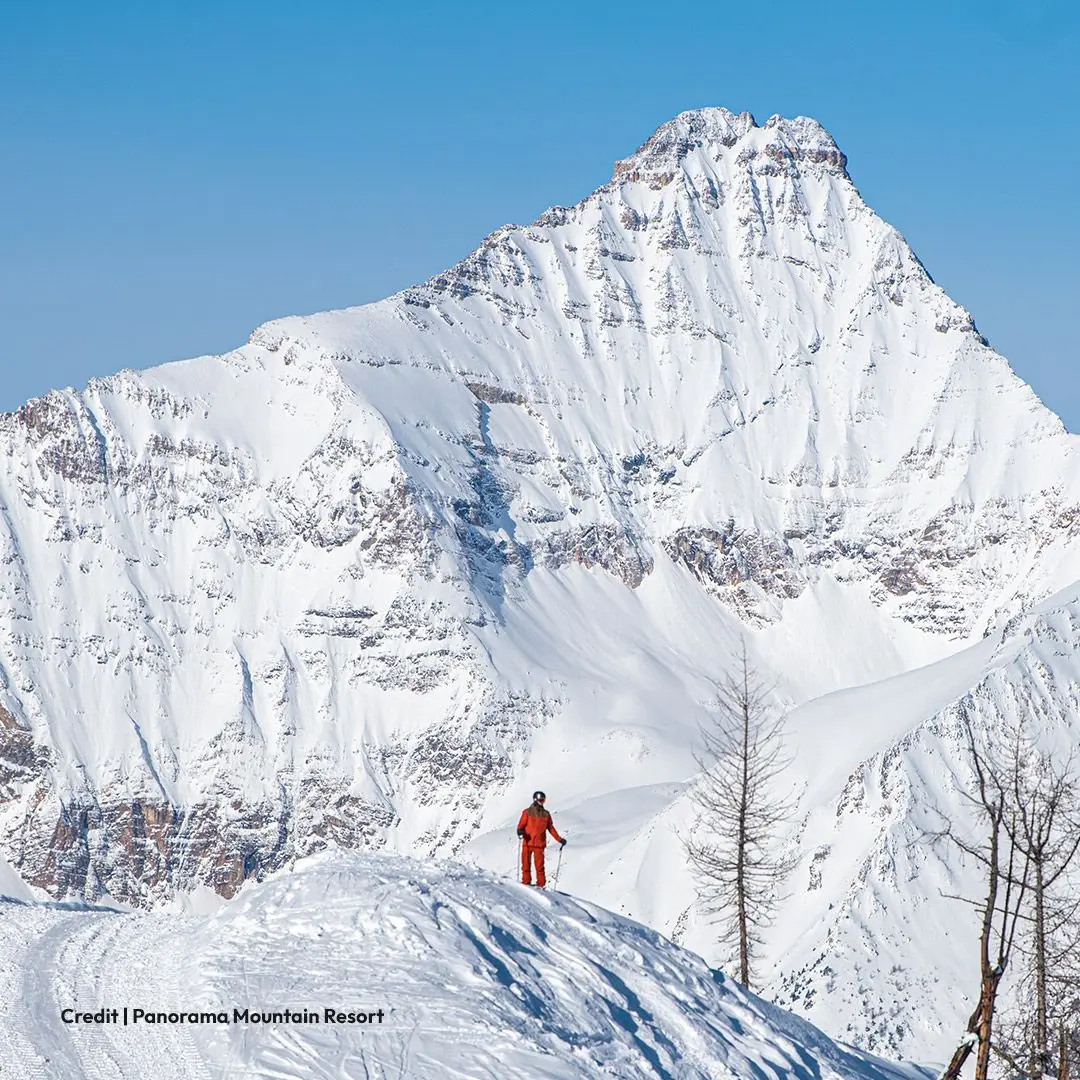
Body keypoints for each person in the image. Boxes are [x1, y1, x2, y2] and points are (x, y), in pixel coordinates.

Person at [516, 790, 565, 888]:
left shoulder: (546, 814)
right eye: (541, 800)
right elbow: (521, 825)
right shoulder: (527, 812)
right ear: (536, 800)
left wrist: (559, 839)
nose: (542, 802)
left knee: (540, 867)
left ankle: (541, 885)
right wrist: (520, 831)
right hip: (527, 842)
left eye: (543, 800)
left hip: (539, 844)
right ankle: (526, 883)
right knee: (525, 865)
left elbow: (551, 828)